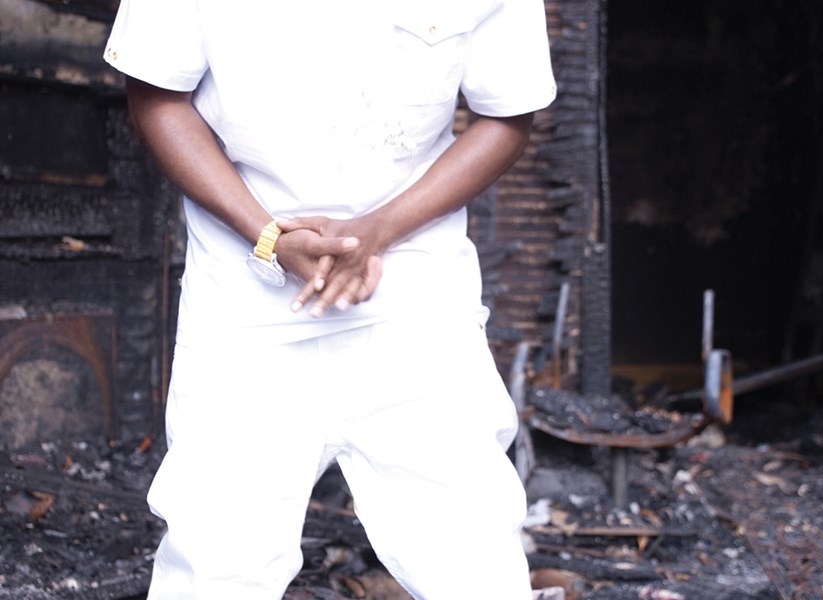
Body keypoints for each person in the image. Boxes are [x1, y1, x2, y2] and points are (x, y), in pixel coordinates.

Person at [103, 1, 556, 598]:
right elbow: (155, 95)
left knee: (473, 561)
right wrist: (269, 236)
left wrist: (380, 230)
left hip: (414, 303)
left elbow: (507, 115)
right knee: (218, 561)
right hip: (247, 304)